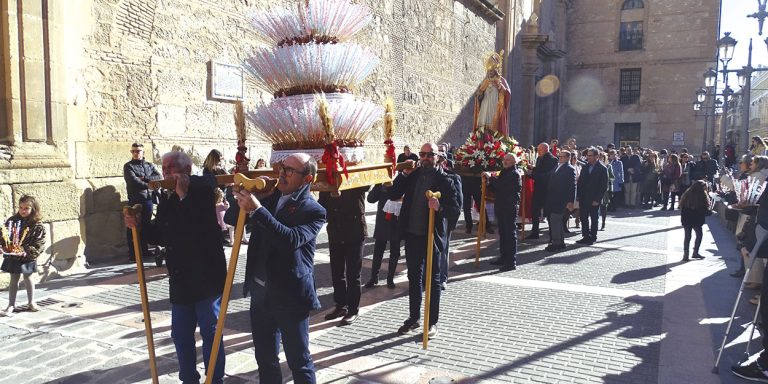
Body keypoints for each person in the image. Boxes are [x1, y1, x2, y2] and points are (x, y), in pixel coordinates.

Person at [124, 151, 227, 384]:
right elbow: (162, 234)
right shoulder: (168, 200)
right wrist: (138, 226)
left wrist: (184, 197)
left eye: (172, 167)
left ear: (187, 171)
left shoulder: (202, 191)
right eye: (165, 167)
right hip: (181, 279)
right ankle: (188, 379)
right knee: (180, 334)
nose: (167, 172)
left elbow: (199, 228)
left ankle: (214, 379)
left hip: (206, 278)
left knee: (211, 332)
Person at [233, 153, 325, 384]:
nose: (282, 173)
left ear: (307, 179)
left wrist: (257, 210)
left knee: (299, 361)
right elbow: (233, 218)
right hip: (261, 294)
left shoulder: (314, 210)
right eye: (283, 167)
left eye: (290, 170)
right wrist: (246, 195)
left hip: (290, 297)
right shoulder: (270, 199)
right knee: (265, 358)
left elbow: (290, 240)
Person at [389, 143, 460, 338]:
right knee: (414, 278)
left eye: (430, 154)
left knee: (433, 280)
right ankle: (414, 318)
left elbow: (455, 209)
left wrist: (440, 207)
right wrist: (403, 174)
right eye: (422, 154)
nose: (425, 157)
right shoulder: (412, 175)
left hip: (432, 237)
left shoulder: (446, 179)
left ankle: (432, 322)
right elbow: (393, 194)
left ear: (438, 157)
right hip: (412, 235)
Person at [319, 186, 368, 326]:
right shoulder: (328, 181)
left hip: (355, 232)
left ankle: (353, 310)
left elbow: (366, 184)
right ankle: (341, 306)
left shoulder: (354, 178)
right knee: (337, 272)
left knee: (353, 274)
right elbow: (322, 204)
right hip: (335, 231)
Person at [0, 195, 46, 316]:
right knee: (14, 279)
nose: (23, 210)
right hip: (13, 256)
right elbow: (4, 236)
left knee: (28, 277)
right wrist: (3, 247)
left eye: (26, 208)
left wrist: (27, 251)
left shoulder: (37, 225)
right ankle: (11, 305)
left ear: (33, 209)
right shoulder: (12, 221)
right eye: (21, 207)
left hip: (27, 256)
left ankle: (31, 302)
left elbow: (39, 243)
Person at [123, 143, 161, 263]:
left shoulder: (149, 165)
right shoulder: (128, 166)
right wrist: (150, 185)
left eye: (138, 151)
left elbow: (159, 176)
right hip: (135, 199)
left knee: (145, 225)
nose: (136, 153)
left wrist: (144, 179)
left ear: (143, 152)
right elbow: (133, 181)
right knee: (132, 226)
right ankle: (132, 254)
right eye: (133, 151)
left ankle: (144, 250)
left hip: (148, 199)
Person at [484, 154, 521, 271]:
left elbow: (502, 187)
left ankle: (511, 262)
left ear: (514, 162)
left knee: (510, 234)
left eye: (508, 160)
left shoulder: (514, 174)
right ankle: (503, 257)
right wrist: (488, 184)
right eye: (504, 160)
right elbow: (497, 189)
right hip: (500, 206)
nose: (505, 162)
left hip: (509, 207)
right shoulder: (504, 172)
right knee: (503, 233)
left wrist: (490, 177)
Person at [365, 183, 401, 289]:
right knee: (378, 251)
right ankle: (373, 277)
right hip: (382, 221)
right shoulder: (381, 183)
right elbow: (370, 199)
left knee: (395, 252)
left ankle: (390, 279)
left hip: (396, 220)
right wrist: (378, 185)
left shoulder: (401, 179)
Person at [472, 51, 510, 136]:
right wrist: (479, 96)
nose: (489, 72)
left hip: (495, 106)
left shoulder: (501, 81)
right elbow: (479, 94)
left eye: (491, 70)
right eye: (488, 71)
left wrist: (500, 87)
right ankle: (481, 136)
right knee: (482, 124)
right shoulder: (485, 81)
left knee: (493, 125)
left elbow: (507, 94)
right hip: (485, 105)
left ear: (496, 70)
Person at [576, 148, 608, 245]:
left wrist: (597, 199)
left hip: (594, 198)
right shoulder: (585, 167)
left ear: (596, 156)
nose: (588, 157)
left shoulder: (602, 169)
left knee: (594, 218)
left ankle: (593, 237)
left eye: (590, 155)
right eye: (587, 155)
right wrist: (578, 196)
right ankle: (585, 236)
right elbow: (580, 183)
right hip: (584, 198)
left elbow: (603, 186)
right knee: (583, 217)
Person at [545, 152, 576, 252]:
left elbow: (572, 186)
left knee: (555, 220)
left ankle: (556, 243)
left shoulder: (569, 169)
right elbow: (547, 176)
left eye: (563, 156)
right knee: (556, 221)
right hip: (553, 198)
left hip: (561, 199)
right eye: (560, 156)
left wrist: (571, 201)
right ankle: (560, 243)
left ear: (568, 158)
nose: (560, 158)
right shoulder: (557, 166)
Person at [527, 142, 558, 239]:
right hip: (538, 188)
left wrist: (532, 175)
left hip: (547, 189)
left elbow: (548, 175)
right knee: (534, 210)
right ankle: (534, 232)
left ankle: (552, 235)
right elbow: (540, 169)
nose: (538, 152)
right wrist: (532, 168)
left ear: (546, 149)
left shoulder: (553, 159)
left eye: (540, 150)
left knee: (548, 212)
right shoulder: (539, 158)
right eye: (538, 150)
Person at [678, 180, 710, 262]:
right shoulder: (702, 195)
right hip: (696, 219)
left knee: (687, 237)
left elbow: (681, 205)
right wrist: (710, 212)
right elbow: (704, 209)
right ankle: (695, 252)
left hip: (687, 218)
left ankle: (686, 255)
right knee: (699, 235)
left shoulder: (687, 193)